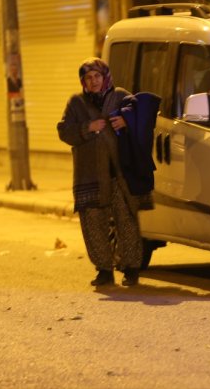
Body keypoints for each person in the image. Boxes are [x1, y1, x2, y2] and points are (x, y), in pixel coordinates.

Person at [57, 58, 144, 287]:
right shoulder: (76, 103)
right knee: (94, 223)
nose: (94, 81)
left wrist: (126, 122)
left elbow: (144, 120)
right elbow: (64, 131)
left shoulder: (121, 97)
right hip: (90, 176)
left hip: (120, 175)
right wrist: (88, 128)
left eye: (97, 76)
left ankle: (132, 268)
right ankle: (104, 269)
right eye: (88, 77)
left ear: (105, 77)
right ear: (83, 81)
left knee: (127, 221)